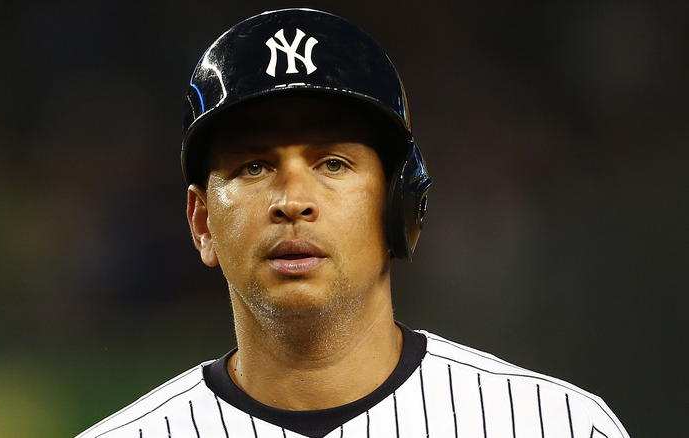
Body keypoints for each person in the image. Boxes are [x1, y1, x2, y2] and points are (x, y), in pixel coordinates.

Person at [77, 8, 629, 438]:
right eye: (254, 166)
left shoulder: (552, 425)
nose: (293, 200)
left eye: (332, 164)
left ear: (400, 203)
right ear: (201, 223)